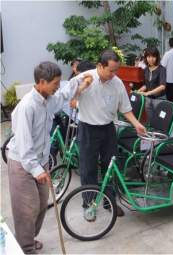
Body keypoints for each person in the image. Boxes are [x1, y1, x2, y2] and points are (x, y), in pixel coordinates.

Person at [7, 61, 90, 254]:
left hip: (41, 161)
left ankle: (29, 238)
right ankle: (26, 247)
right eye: (55, 83)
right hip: (22, 163)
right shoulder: (27, 106)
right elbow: (24, 145)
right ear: (42, 82)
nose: (57, 86)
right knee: (27, 208)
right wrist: (36, 170)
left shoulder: (48, 99)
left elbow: (65, 94)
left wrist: (81, 80)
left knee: (41, 204)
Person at [69, 50, 146, 217]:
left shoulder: (117, 83)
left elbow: (125, 108)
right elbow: (71, 100)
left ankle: (109, 201)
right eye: (111, 70)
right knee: (88, 167)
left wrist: (137, 124)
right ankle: (89, 204)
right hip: (88, 128)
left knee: (111, 166)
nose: (114, 74)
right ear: (100, 66)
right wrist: (81, 90)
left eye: (116, 70)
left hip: (108, 129)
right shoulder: (84, 78)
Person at [50, 60, 96, 156]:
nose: (78, 79)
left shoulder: (95, 87)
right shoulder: (72, 84)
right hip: (69, 116)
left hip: (87, 123)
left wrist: (78, 104)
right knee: (56, 125)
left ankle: (55, 153)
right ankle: (57, 152)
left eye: (80, 76)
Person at [137, 47, 166, 122]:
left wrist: (148, 93)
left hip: (159, 99)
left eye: (153, 56)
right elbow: (146, 85)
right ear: (146, 57)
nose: (151, 59)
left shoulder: (161, 69)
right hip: (148, 100)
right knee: (150, 121)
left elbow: (162, 86)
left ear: (157, 57)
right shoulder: (146, 69)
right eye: (148, 57)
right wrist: (138, 91)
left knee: (160, 121)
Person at [161, 37, 173, 102]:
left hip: (167, 80)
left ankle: (168, 111)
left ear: (169, 44)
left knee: (168, 99)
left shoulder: (167, 54)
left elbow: (162, 66)